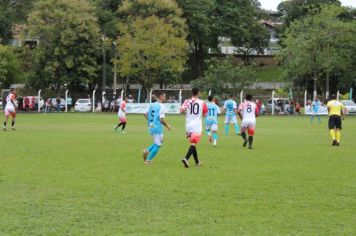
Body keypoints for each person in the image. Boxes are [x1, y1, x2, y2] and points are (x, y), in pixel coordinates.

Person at [180, 87, 208, 168]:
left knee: (193, 143)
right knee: (193, 143)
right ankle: (186, 158)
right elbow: (205, 115)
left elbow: (181, 110)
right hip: (197, 125)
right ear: (198, 93)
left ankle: (197, 162)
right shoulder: (202, 102)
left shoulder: (187, 101)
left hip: (188, 125)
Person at [142, 92, 171, 165]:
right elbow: (161, 119)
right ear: (161, 96)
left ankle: (147, 150)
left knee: (157, 142)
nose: (165, 97)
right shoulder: (161, 106)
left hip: (151, 126)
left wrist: (151, 122)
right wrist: (168, 126)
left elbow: (145, 114)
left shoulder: (152, 104)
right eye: (164, 96)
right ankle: (148, 161)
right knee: (159, 145)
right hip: (157, 127)